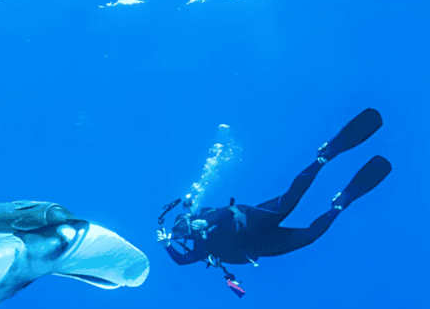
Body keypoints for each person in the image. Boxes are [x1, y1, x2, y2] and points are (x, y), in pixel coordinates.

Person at [157, 109, 391, 294]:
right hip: (260, 245)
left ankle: (323, 157)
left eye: (184, 224)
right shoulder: (201, 247)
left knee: (291, 199)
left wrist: (204, 222)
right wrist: (167, 245)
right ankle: (340, 204)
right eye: (181, 231)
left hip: (253, 222)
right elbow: (182, 260)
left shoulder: (206, 216)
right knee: (309, 236)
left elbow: (226, 213)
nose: (185, 229)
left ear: (189, 218)